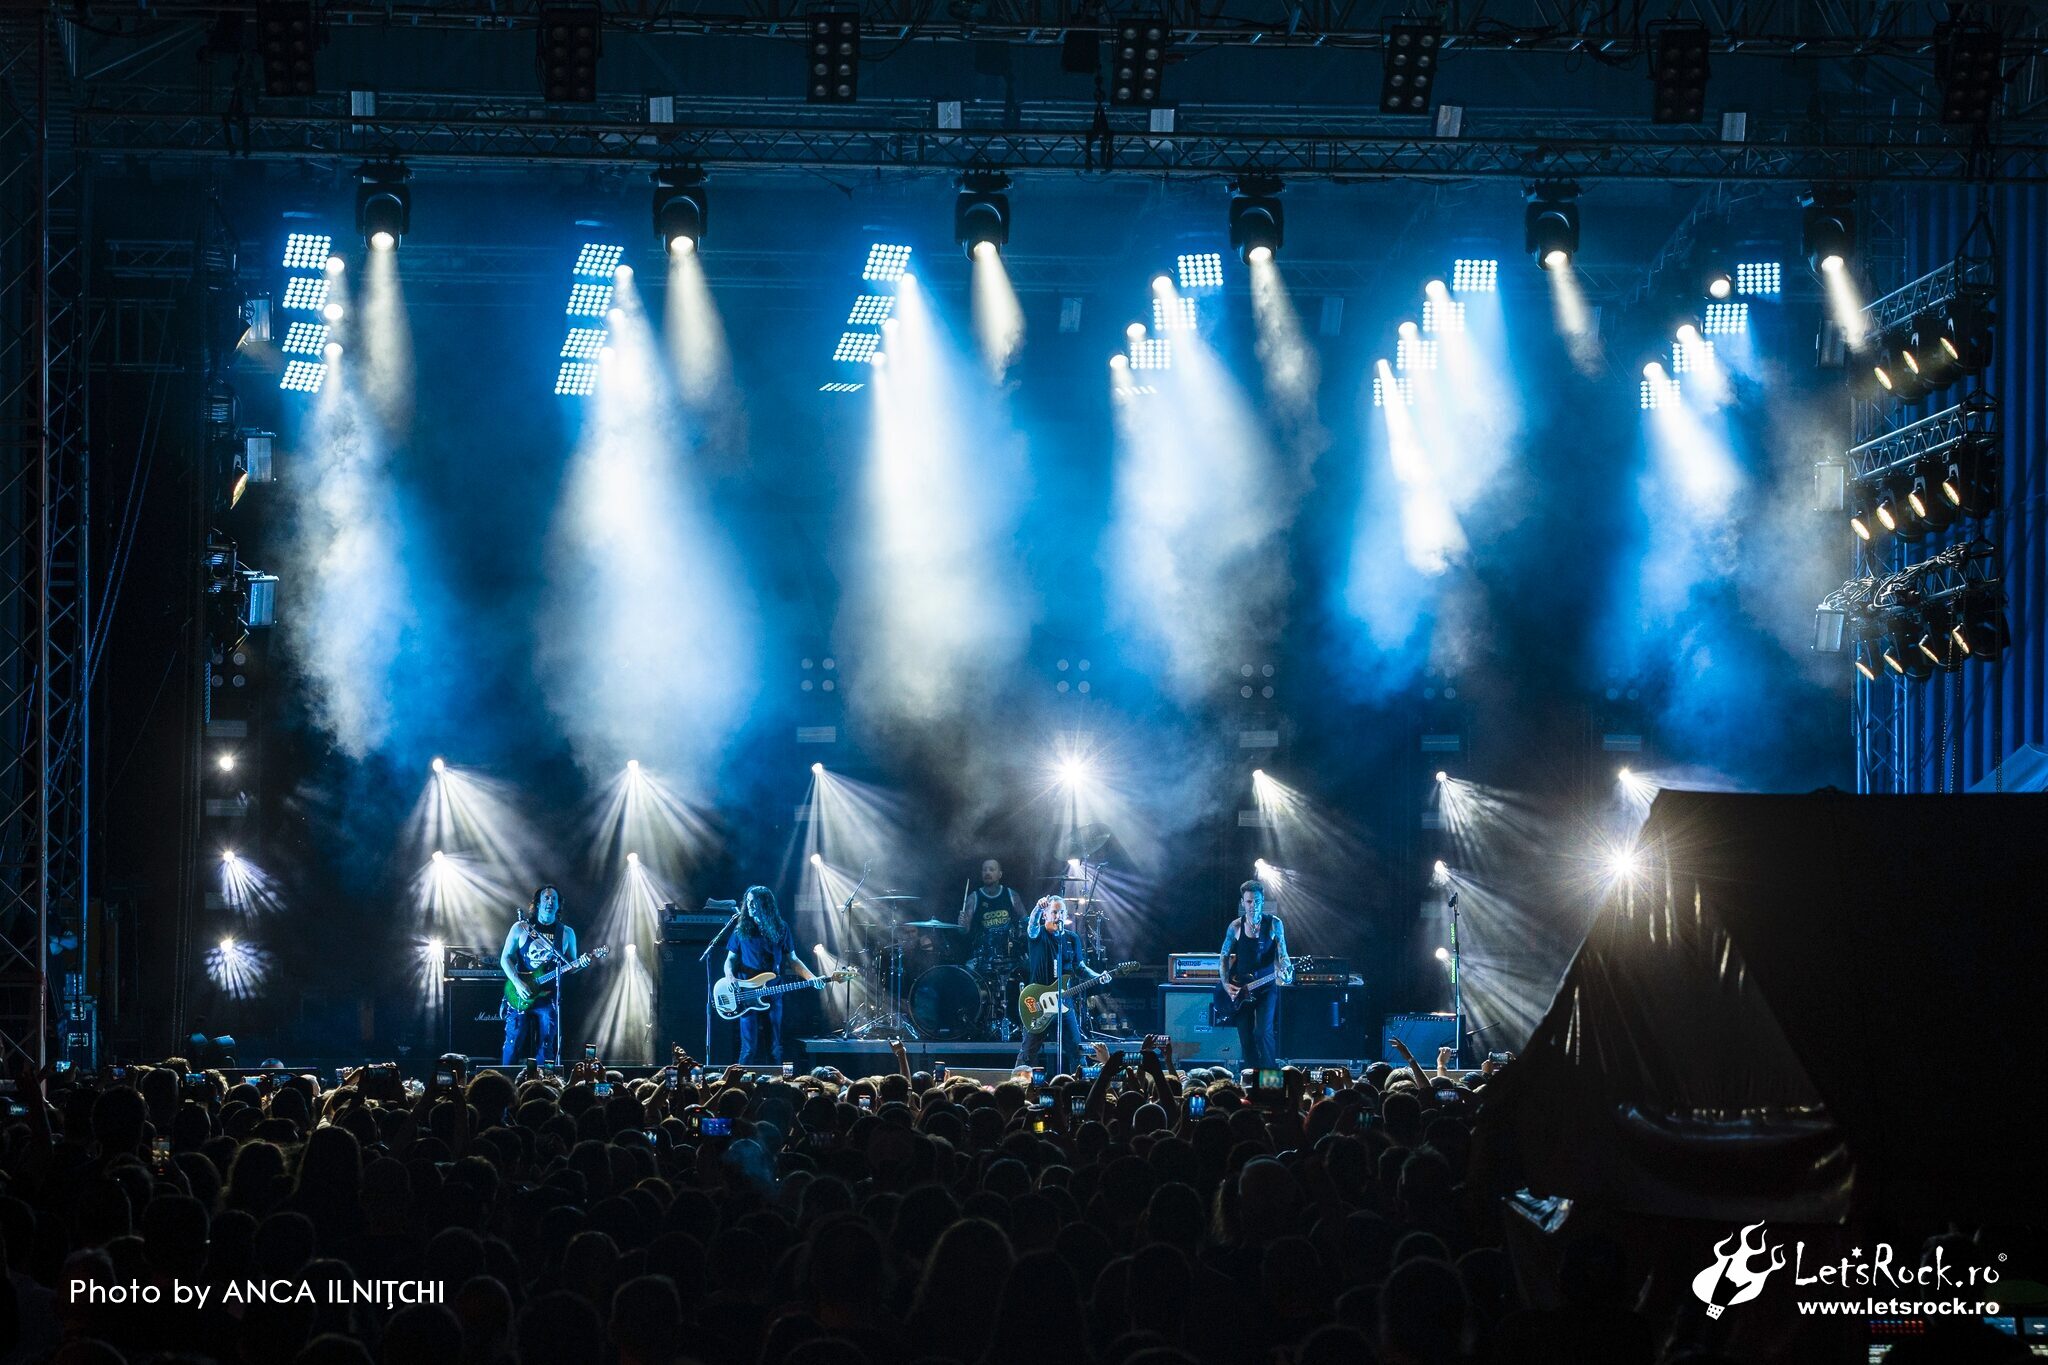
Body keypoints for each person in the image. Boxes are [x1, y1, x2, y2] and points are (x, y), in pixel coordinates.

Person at [1015, 895, 1111, 1078]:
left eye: (1061, 912)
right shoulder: (1039, 934)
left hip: (1064, 1003)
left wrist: (1098, 977)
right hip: (1039, 1001)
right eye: (1053, 912)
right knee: (1028, 1052)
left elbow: (1080, 967)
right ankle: (1017, 1087)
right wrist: (1036, 908)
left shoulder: (1071, 939)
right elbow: (1031, 927)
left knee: (1077, 1051)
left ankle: (1081, 1089)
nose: (1057, 916)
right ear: (1046, 914)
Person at [723, 885, 817, 1065]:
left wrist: (811, 978)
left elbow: (793, 960)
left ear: (764, 904)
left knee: (774, 1047)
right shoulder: (741, 928)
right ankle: (738, 1086)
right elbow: (730, 959)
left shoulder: (781, 928)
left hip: (773, 992)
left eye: (754, 902)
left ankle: (776, 1086)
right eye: (748, 901)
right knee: (749, 1047)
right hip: (747, 994)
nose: (749, 905)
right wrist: (729, 976)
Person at [500, 885, 578, 1067]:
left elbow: (571, 966)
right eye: (546, 898)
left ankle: (546, 1085)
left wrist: (580, 964)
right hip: (521, 992)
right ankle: (506, 1084)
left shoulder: (566, 933)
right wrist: (517, 983)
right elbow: (505, 958)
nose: (550, 902)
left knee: (546, 1044)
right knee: (513, 1042)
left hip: (548, 996)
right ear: (537, 903)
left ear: (559, 905)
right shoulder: (521, 928)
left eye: (554, 899)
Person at [1220, 879, 1293, 1070]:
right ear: (1243, 902)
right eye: (1249, 902)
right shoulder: (1235, 927)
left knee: (1262, 1032)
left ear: (1263, 901)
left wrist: (1286, 970)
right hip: (1242, 989)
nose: (1254, 906)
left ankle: (1270, 1080)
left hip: (1267, 987)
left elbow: (1283, 954)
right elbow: (1223, 956)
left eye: (1258, 901)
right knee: (1246, 1037)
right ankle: (1251, 1079)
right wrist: (1226, 984)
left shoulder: (1274, 924)